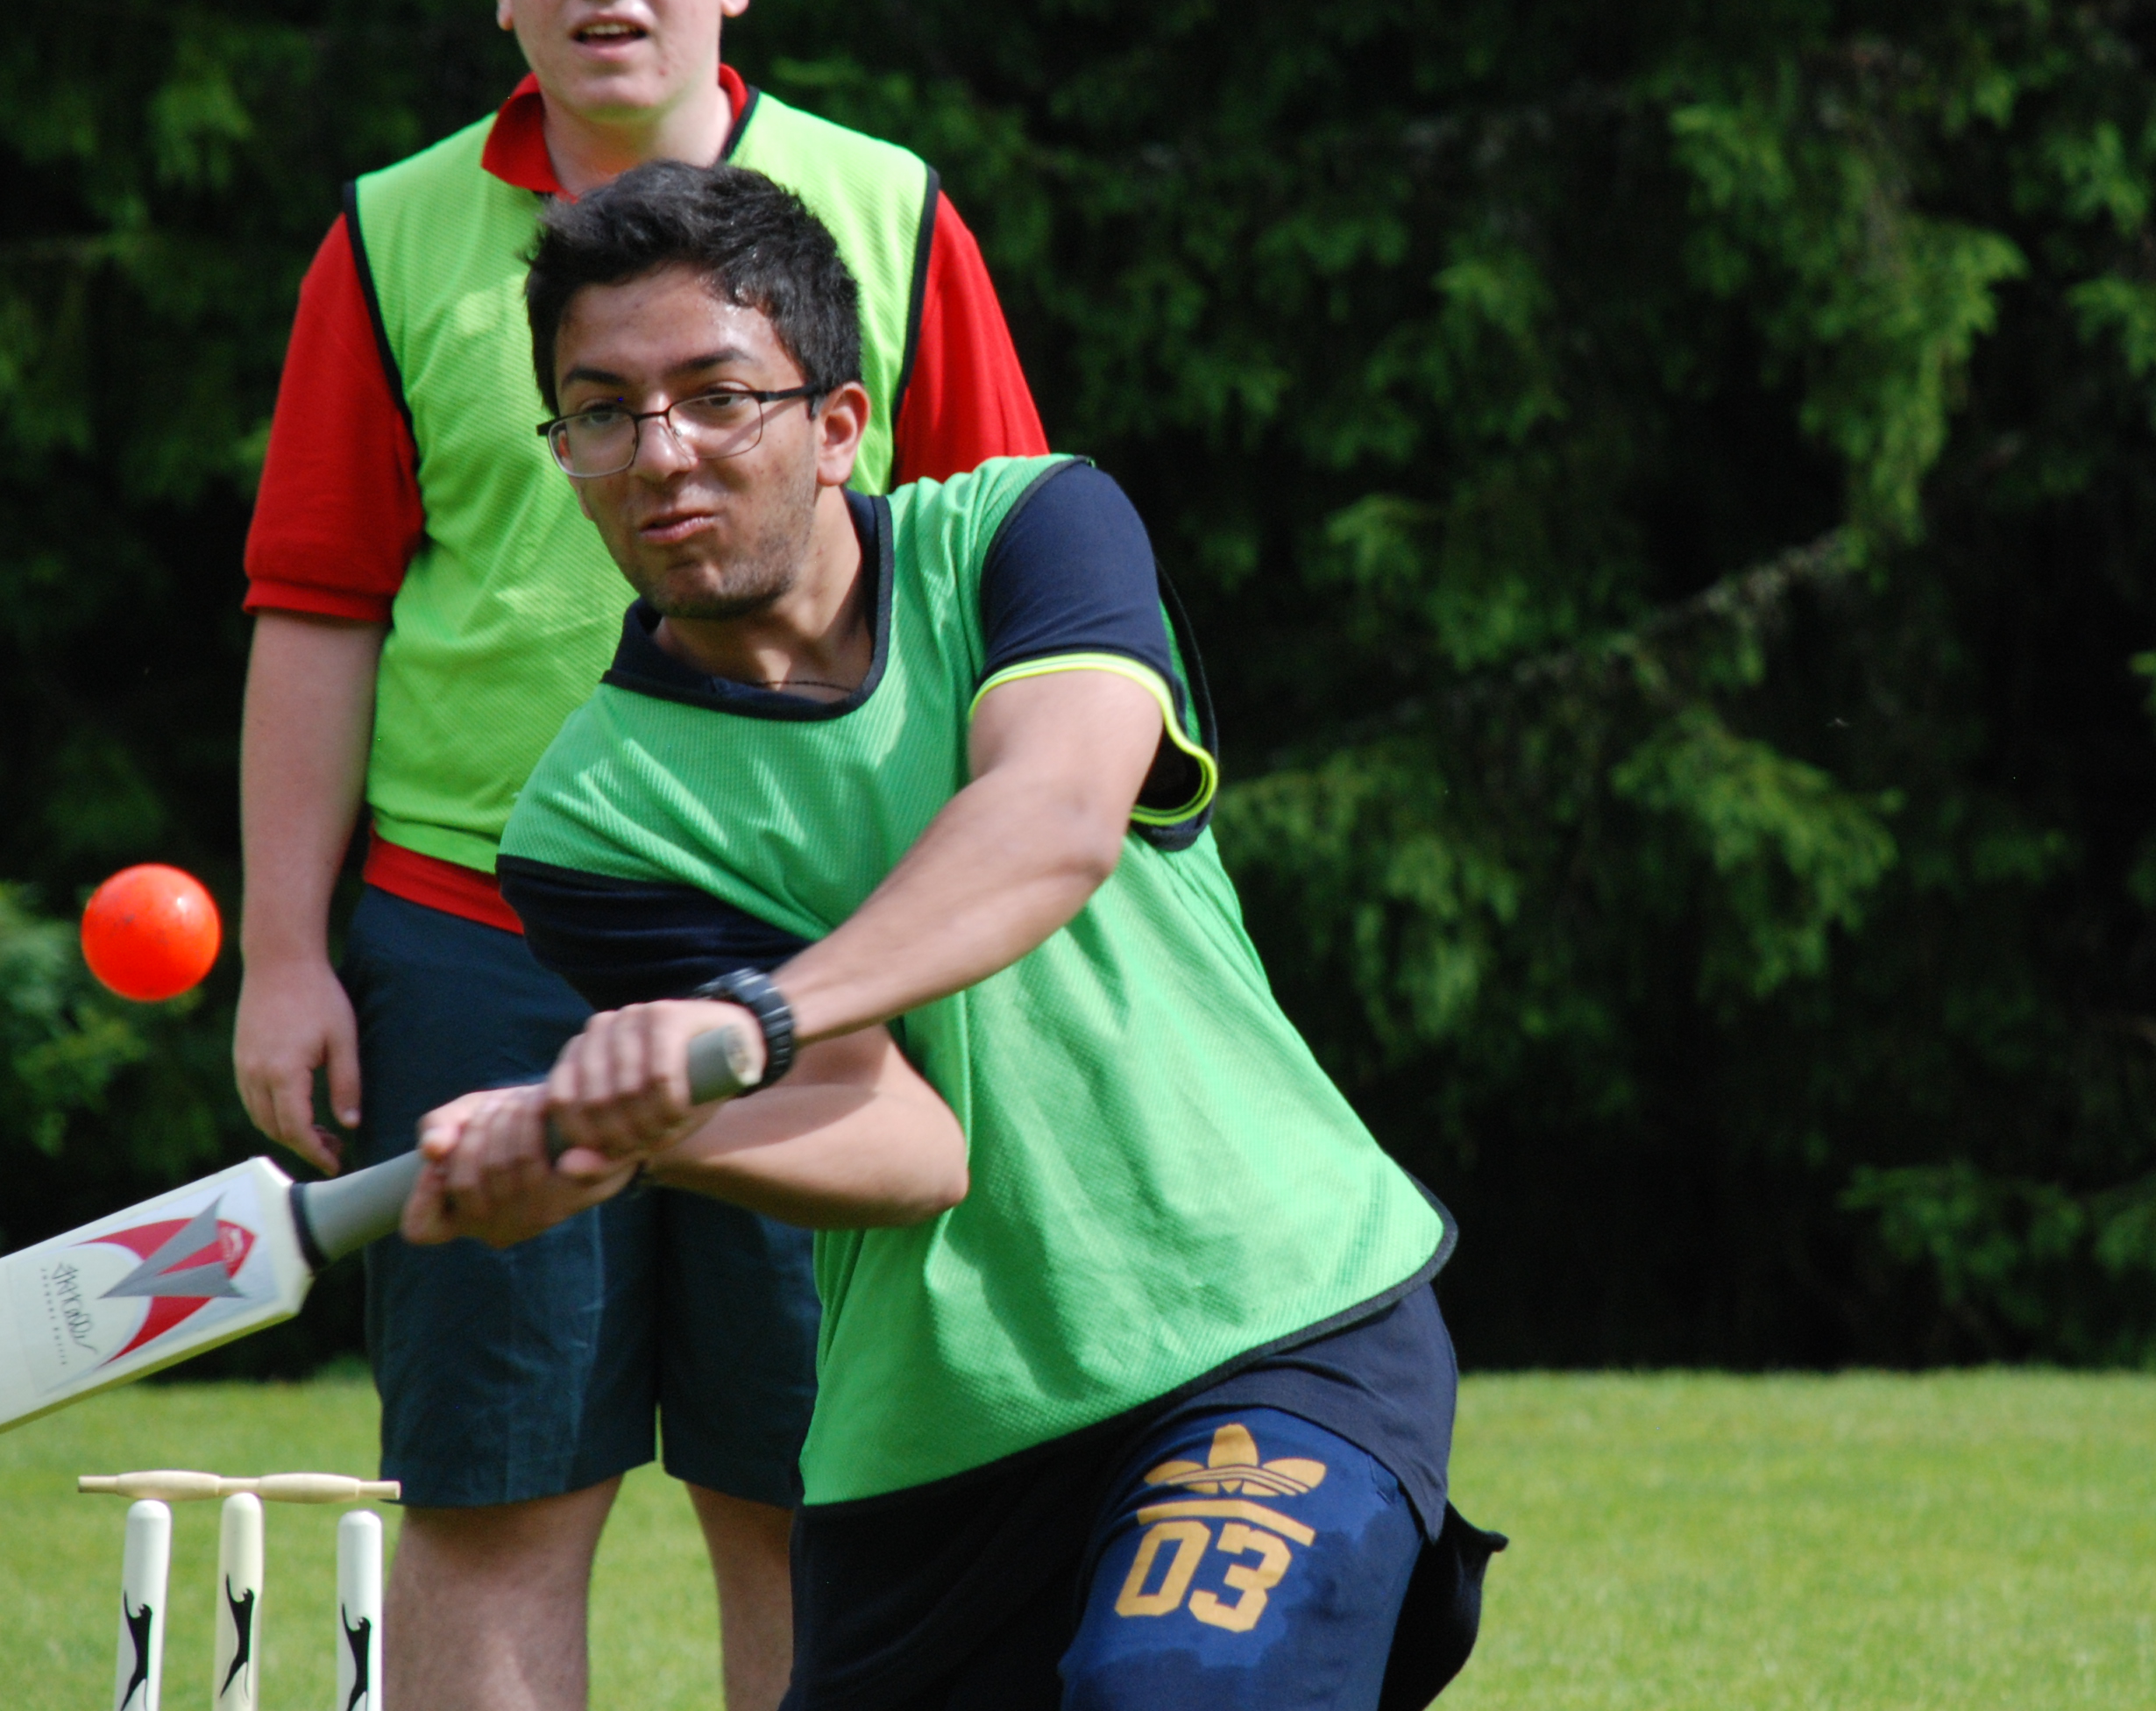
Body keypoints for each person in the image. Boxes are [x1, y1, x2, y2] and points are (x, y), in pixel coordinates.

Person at [397, 161, 1502, 1709]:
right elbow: (907, 1146)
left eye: (718, 397)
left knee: (1172, 1691)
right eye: (601, 412)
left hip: (1268, 1323)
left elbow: (1051, 820)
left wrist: (747, 1020)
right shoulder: (596, 819)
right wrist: (636, 1140)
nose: (660, 454)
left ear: (838, 424)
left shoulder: (1030, 534)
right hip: (932, 1447)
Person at [234, 0, 1046, 1711]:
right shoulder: (389, 233)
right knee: (498, 1496)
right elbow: (319, 606)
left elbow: (1002, 575)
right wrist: (282, 953)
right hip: (473, 942)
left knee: (814, 1494)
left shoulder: (887, 208)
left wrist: (974, 933)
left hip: (809, 938)